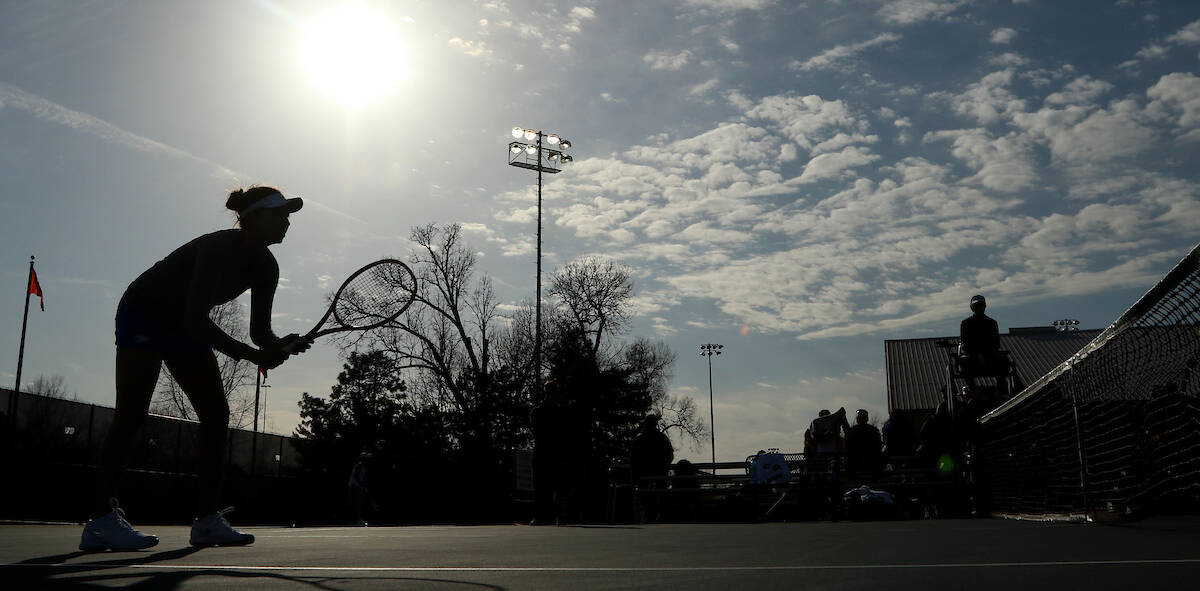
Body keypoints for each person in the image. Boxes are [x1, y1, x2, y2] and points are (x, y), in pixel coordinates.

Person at [80, 186, 310, 552]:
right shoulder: (218, 248)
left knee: (216, 416)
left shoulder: (267, 266)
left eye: (287, 215)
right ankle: (99, 522)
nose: (286, 222)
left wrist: (279, 344)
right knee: (132, 414)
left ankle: (206, 521)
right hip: (145, 310)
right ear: (254, 218)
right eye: (279, 214)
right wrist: (254, 357)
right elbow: (196, 320)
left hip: (185, 324)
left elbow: (259, 332)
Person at [959, 294, 1009, 399]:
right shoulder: (966, 324)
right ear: (972, 308)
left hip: (990, 355)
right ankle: (972, 389)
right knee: (963, 363)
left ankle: (1002, 391)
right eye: (976, 306)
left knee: (1004, 361)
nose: (979, 308)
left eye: (980, 305)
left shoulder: (992, 323)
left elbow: (996, 343)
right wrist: (976, 354)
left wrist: (986, 354)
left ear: (984, 306)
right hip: (972, 357)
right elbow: (965, 343)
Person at [630, 414, 674, 522]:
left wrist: (638, 470)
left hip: (643, 473)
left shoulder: (640, 439)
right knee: (661, 492)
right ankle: (662, 514)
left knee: (644, 493)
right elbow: (670, 455)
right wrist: (664, 466)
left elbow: (633, 457)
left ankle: (648, 513)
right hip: (659, 472)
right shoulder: (662, 438)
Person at [844, 409, 883, 481]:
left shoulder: (851, 431)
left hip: (856, 462)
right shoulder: (874, 430)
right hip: (870, 462)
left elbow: (847, 447)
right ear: (867, 419)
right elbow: (878, 446)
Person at [348, 451, 372, 526]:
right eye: (366, 458)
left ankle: (358, 519)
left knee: (359, 503)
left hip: (357, 486)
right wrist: (362, 485)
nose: (368, 459)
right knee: (358, 503)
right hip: (355, 486)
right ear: (363, 458)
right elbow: (356, 476)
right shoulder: (359, 465)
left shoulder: (363, 466)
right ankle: (358, 520)